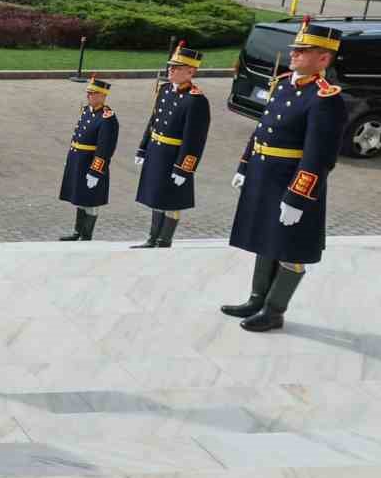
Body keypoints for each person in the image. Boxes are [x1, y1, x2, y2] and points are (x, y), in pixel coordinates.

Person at [223, 20, 346, 332]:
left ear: (323, 58)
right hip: (264, 175)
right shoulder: (283, 84)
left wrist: (297, 197)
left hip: (290, 181)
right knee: (266, 238)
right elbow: (261, 129)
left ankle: (274, 309)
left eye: (303, 51)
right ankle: (256, 299)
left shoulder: (325, 99)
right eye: (295, 49)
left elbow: (318, 157)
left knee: (290, 246)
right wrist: (244, 165)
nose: (294, 54)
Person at [132, 42, 210, 249]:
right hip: (157, 150)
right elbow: (154, 120)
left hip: (174, 155)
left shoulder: (196, 101)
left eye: (176, 68)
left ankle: (164, 239)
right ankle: (152, 238)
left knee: (172, 198)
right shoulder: (165, 90)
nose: (171, 70)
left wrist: (184, 167)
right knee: (156, 195)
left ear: (190, 71)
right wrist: (143, 147)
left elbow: (195, 140)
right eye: (171, 66)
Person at [57, 77, 119, 241]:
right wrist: (71, 158)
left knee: (91, 201)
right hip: (78, 161)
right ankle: (78, 231)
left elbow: (105, 149)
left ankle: (86, 235)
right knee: (80, 197)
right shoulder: (86, 111)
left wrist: (96, 171)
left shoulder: (107, 118)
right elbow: (77, 136)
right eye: (88, 93)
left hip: (91, 164)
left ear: (103, 96)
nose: (88, 96)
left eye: (92, 93)